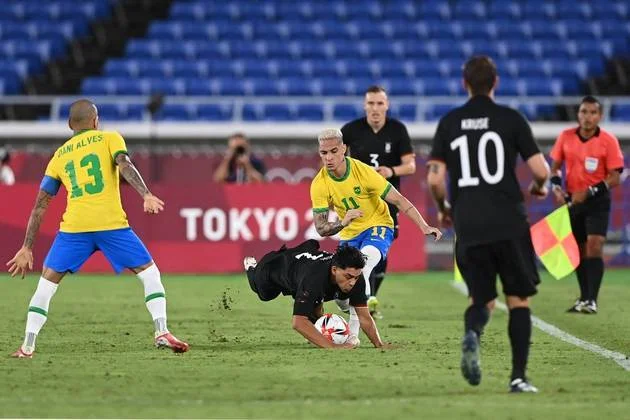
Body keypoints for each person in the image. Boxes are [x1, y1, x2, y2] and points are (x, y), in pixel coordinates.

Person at [5, 99, 189, 358]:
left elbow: (40, 206)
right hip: (111, 224)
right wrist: (145, 194)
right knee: (150, 275)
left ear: (70, 125)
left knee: (45, 286)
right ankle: (161, 331)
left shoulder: (59, 156)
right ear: (95, 121)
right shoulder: (109, 138)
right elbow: (124, 164)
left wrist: (26, 247)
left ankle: (27, 347)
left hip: (74, 229)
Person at [426, 56, 550, 393]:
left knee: (481, 301)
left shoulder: (449, 123)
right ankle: (518, 377)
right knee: (518, 300)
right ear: (495, 83)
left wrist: (444, 208)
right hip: (509, 222)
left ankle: (473, 334)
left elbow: (435, 179)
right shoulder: (510, 119)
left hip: (469, 225)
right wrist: (539, 188)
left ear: (464, 83)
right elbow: (541, 171)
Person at [311, 128, 441, 339]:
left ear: (344, 149)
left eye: (334, 151)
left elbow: (399, 200)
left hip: (378, 226)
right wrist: (343, 222)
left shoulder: (364, 173)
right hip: (349, 235)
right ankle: (351, 308)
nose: (329, 158)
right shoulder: (319, 184)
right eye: (324, 153)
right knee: (341, 296)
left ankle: (352, 338)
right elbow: (321, 228)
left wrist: (424, 226)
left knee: (362, 268)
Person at [341, 85, 416, 317]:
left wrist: (390, 171)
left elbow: (410, 166)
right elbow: (337, 162)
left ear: (387, 105)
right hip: (358, 201)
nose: (375, 108)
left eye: (379, 103)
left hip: (388, 201)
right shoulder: (351, 130)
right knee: (356, 249)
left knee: (381, 249)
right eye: (371, 103)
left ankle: (370, 295)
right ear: (365, 106)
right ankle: (359, 295)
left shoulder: (397, 130)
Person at [550, 96, 624, 314]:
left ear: (600, 116)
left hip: (597, 200)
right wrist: (556, 188)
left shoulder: (608, 141)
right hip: (573, 200)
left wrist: (590, 191)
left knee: (595, 244)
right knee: (579, 250)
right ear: (578, 114)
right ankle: (583, 298)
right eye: (584, 112)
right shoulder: (565, 137)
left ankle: (592, 299)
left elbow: (615, 177)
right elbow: (554, 168)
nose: (588, 117)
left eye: (593, 113)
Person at [244, 240, 383, 348]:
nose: (353, 282)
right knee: (265, 295)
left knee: (315, 310)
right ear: (335, 270)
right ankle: (251, 267)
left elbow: (364, 317)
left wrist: (379, 344)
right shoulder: (314, 279)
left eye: (356, 277)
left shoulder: (355, 278)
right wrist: (332, 346)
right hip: (275, 268)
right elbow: (298, 323)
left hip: (302, 270)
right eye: (348, 277)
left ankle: (316, 319)